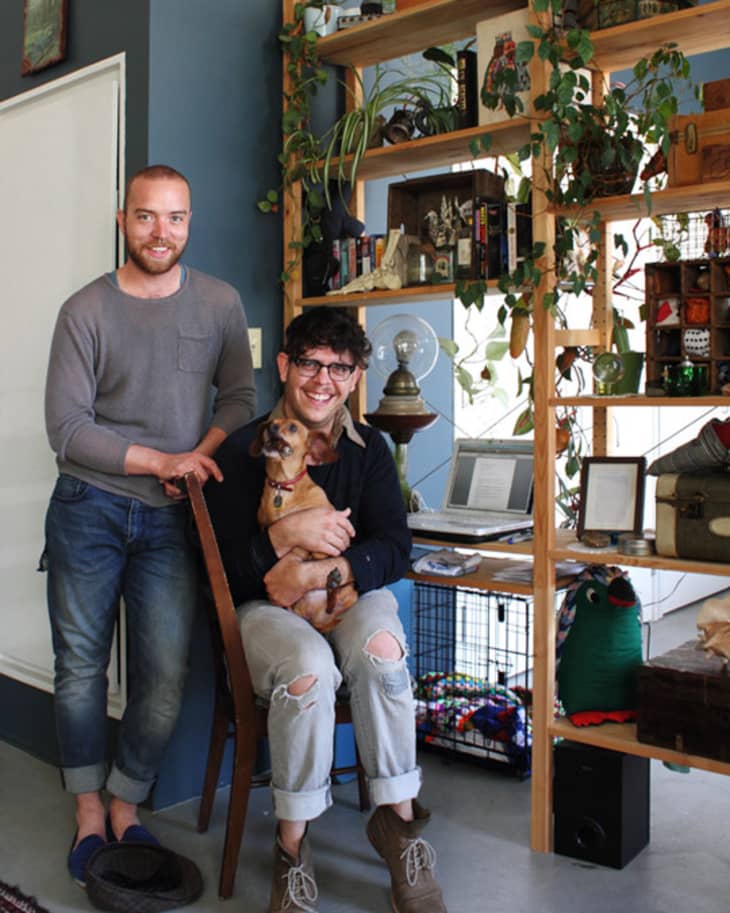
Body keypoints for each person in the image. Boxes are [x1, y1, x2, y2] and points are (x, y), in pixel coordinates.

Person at [43, 164, 256, 885]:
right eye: (145, 217)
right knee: (79, 670)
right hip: (87, 507)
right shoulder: (85, 311)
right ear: (122, 220)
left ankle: (126, 801)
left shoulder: (220, 303)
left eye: (175, 218)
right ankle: (88, 812)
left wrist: (197, 455)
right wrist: (159, 456)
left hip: (174, 513)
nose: (159, 232)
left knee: (164, 676)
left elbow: (239, 396)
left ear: (189, 223)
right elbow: (67, 430)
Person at [205, 307, 448, 913]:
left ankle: (398, 827)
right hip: (265, 611)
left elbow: (394, 545)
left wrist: (324, 569)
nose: (323, 380)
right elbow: (223, 569)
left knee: (383, 651)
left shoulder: (367, 450)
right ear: (286, 366)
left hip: (347, 595)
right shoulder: (241, 452)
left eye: (340, 368)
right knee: (309, 670)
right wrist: (283, 542)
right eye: (310, 362)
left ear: (356, 375)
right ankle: (293, 851)